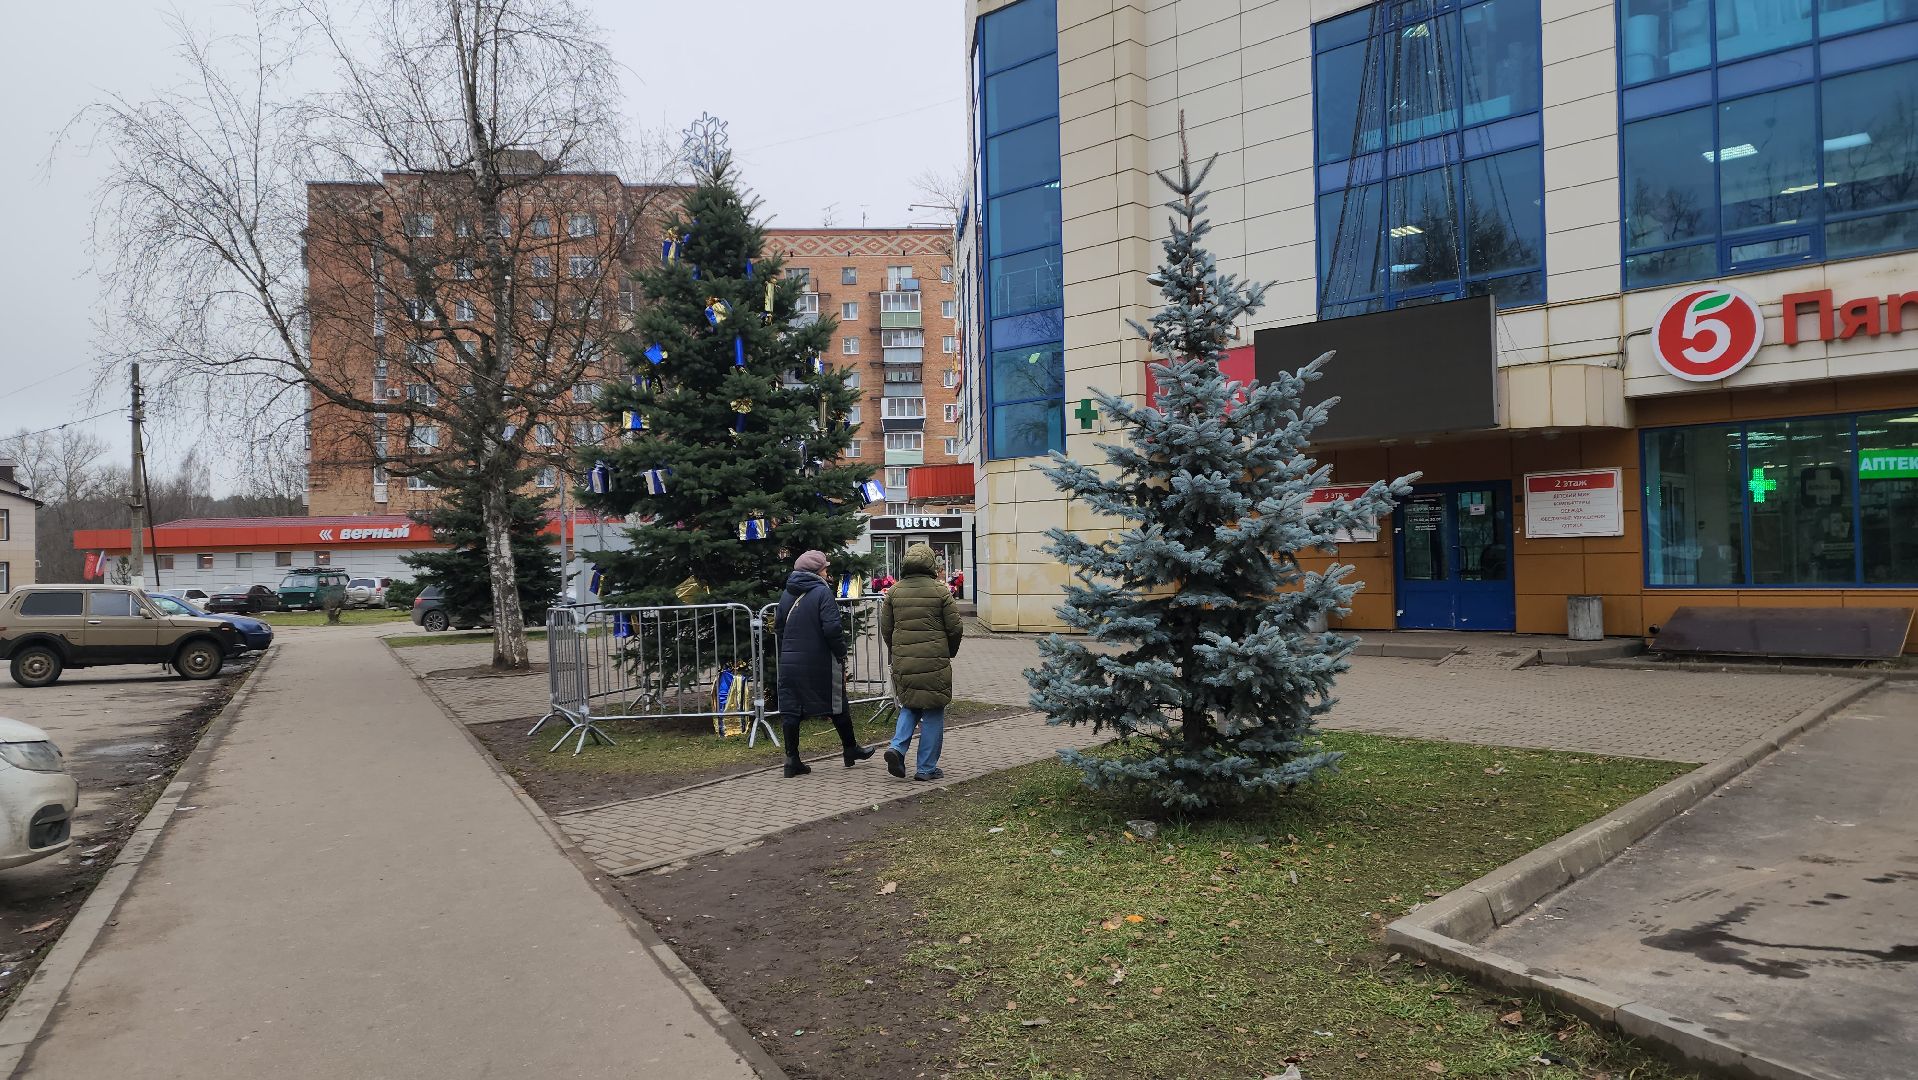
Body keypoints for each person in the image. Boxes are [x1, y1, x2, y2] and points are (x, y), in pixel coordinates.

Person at [774, 550, 875, 778]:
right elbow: (831, 628)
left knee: (791, 708)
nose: (828, 572)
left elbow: (779, 627)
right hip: (819, 660)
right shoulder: (822, 592)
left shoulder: (787, 594)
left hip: (790, 660)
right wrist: (840, 652)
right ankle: (850, 749)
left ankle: (792, 760)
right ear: (816, 571)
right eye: (825, 568)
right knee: (836, 701)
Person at [879, 543, 963, 782]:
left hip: (904, 660)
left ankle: (897, 748)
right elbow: (955, 627)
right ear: (930, 565)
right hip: (934, 660)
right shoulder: (940, 591)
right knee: (933, 710)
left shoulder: (894, 592)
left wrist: (898, 651)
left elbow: (887, 629)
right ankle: (926, 768)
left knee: (910, 705)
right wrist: (949, 651)